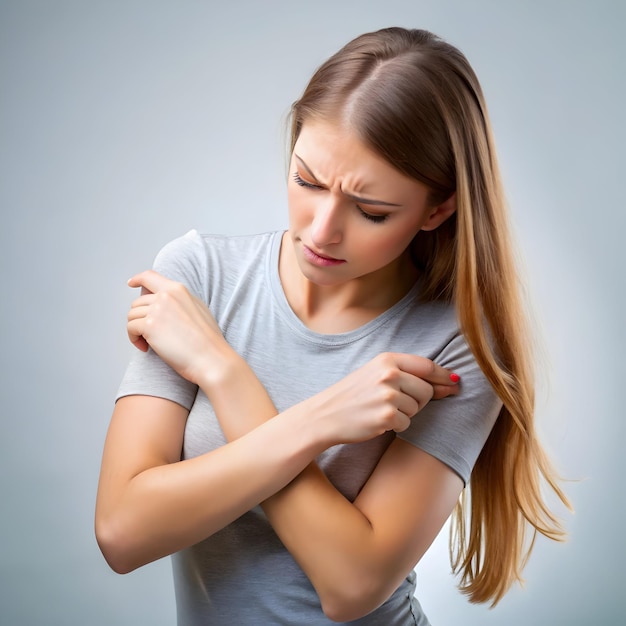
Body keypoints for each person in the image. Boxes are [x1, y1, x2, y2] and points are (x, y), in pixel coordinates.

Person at [95, 27, 570, 625]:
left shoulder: (456, 345)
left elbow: (352, 586)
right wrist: (316, 418)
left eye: (371, 211)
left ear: (438, 208)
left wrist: (226, 376)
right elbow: (121, 532)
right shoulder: (197, 279)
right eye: (307, 182)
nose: (321, 231)